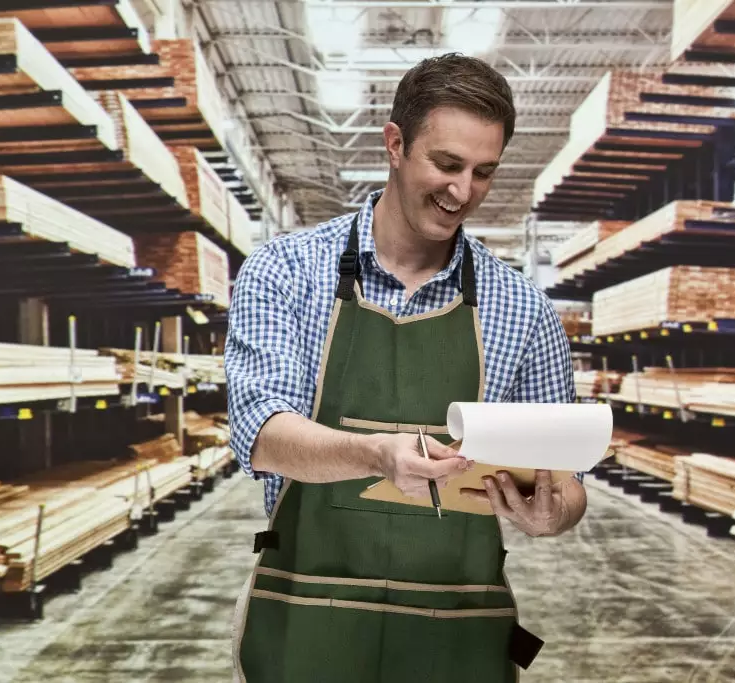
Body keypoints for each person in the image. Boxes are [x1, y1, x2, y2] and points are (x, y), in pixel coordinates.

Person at [225, 53, 587, 683]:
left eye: (483, 173)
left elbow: (566, 478)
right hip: (306, 625)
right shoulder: (284, 272)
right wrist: (377, 456)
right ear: (394, 143)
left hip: (459, 639)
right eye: (446, 164)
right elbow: (262, 435)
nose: (462, 192)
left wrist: (553, 514)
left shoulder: (523, 308)